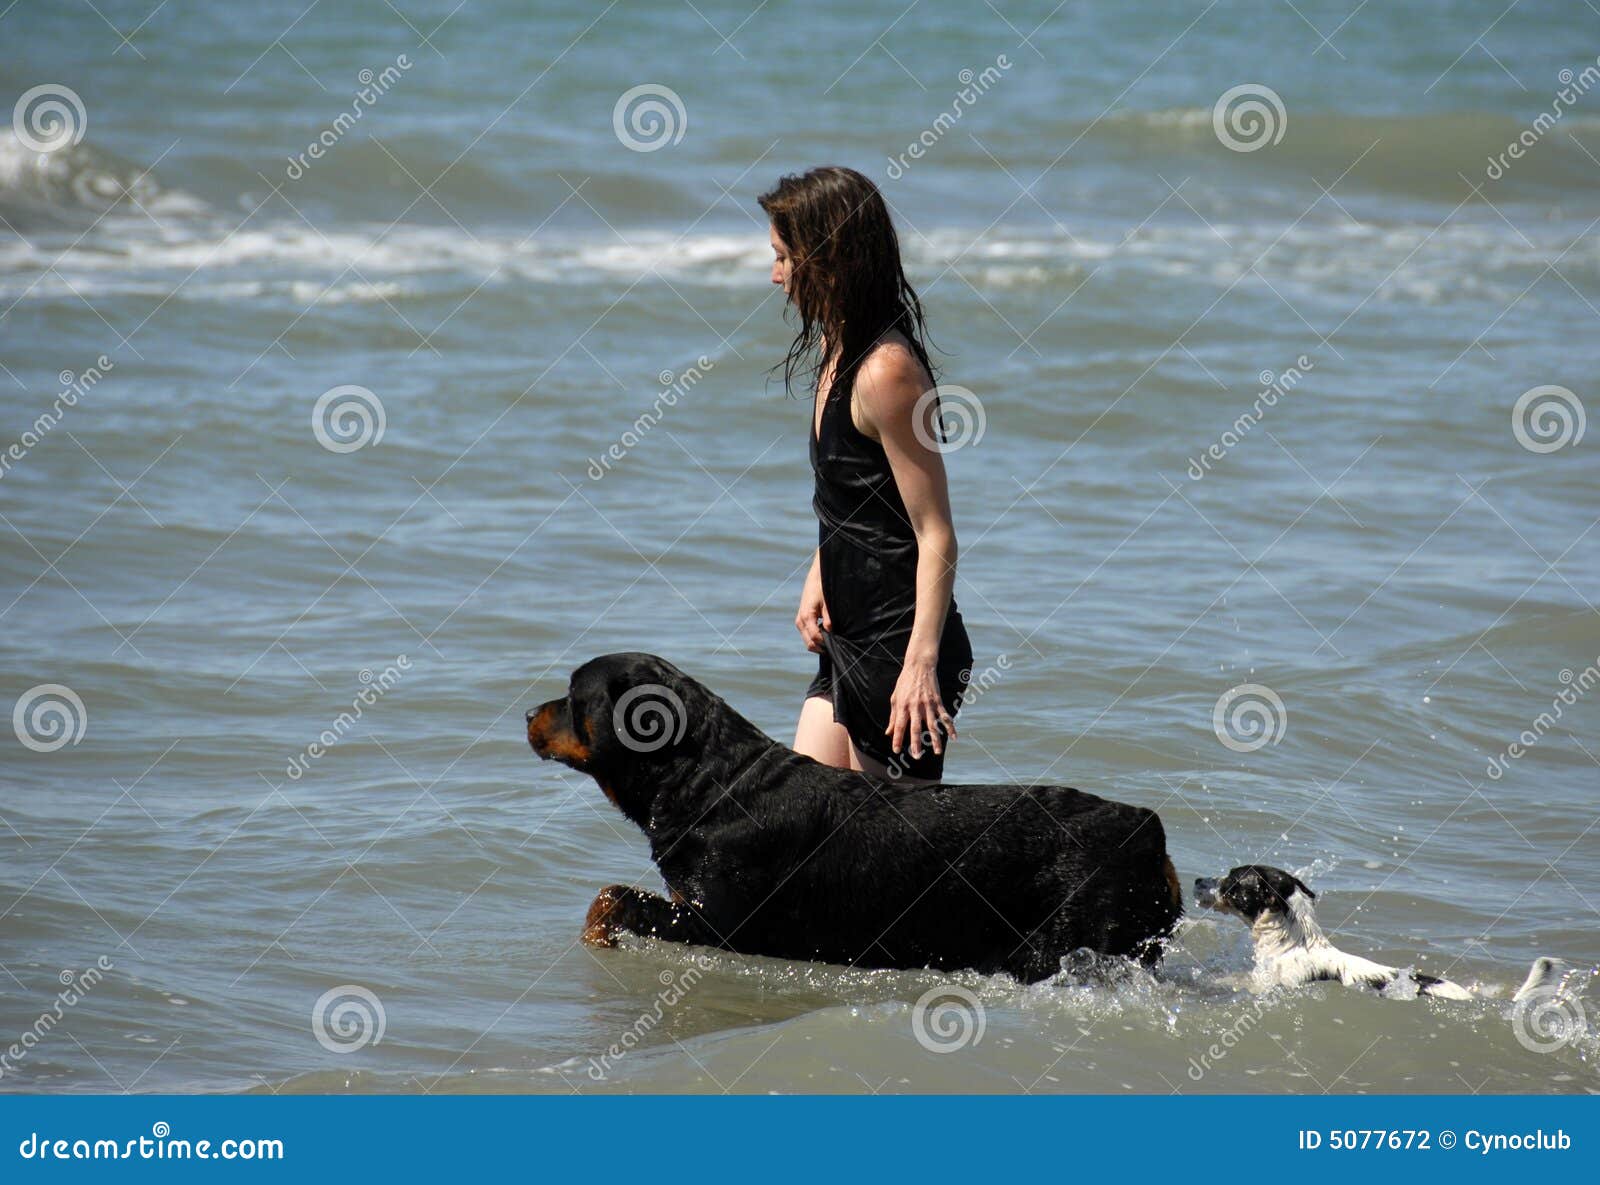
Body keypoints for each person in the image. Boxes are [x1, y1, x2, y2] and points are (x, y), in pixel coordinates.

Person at [759, 165, 974, 783]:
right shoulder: (838, 348)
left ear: (826, 259)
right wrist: (819, 570)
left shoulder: (887, 372)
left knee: (888, 870)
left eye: (782, 257)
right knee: (805, 845)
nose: (774, 275)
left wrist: (920, 666)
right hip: (849, 633)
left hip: (899, 646)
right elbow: (854, 494)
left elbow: (935, 532)